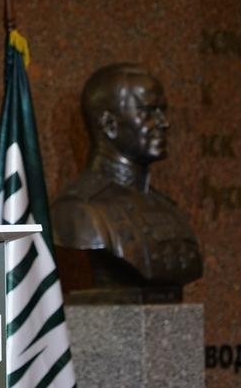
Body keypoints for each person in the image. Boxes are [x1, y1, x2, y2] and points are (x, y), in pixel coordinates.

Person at [51, 63, 202, 301]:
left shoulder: (167, 208)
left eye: (162, 111)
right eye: (148, 112)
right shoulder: (79, 208)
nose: (164, 122)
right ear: (109, 124)